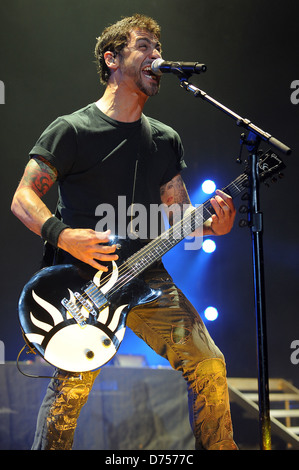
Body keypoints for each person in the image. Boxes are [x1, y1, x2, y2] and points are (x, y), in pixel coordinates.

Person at [11, 14, 238, 450]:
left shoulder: (165, 139)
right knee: (68, 396)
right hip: (84, 279)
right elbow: (23, 198)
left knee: (209, 363)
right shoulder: (72, 129)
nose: (157, 56)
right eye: (146, 46)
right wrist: (63, 235)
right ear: (112, 58)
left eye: (159, 47)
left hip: (147, 275)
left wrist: (214, 225)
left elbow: (179, 218)